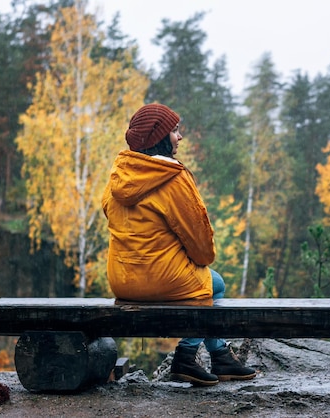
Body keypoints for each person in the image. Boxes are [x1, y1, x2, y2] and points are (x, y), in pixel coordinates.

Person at [102, 103, 256, 386]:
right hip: (161, 280)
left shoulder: (119, 176)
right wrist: (197, 258)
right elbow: (201, 247)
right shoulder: (173, 178)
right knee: (215, 283)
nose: (180, 136)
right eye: (174, 130)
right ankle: (187, 356)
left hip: (121, 281)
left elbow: (112, 216)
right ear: (159, 138)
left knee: (207, 282)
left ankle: (220, 355)